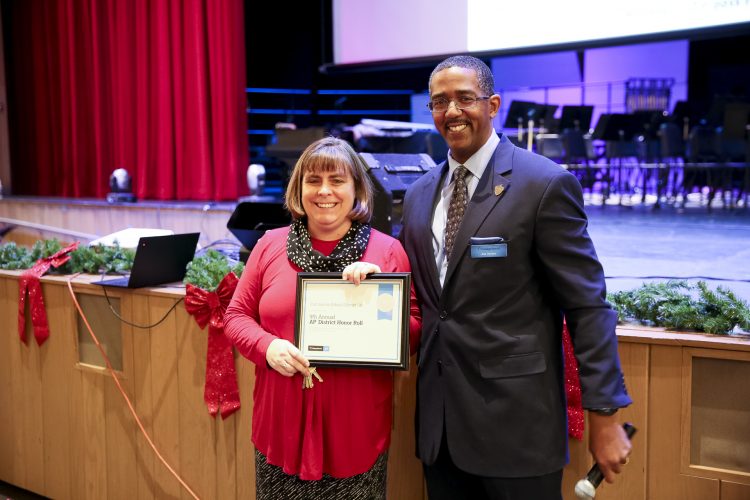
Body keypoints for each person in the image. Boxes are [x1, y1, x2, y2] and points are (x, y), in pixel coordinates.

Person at [399, 55, 633, 499]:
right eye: (439, 102)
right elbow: (422, 300)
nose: (451, 112)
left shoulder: (542, 184)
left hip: (518, 431)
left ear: (492, 104)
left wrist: (604, 414)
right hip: (440, 431)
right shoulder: (417, 195)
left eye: (464, 99)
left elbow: (587, 306)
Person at [224, 137, 421, 499]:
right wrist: (267, 347)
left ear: (357, 189)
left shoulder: (386, 251)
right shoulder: (269, 244)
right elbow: (235, 316)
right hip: (280, 430)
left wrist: (381, 296)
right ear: (298, 189)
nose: (324, 191)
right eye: (313, 180)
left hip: (354, 434)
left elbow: (411, 338)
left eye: (337, 180)